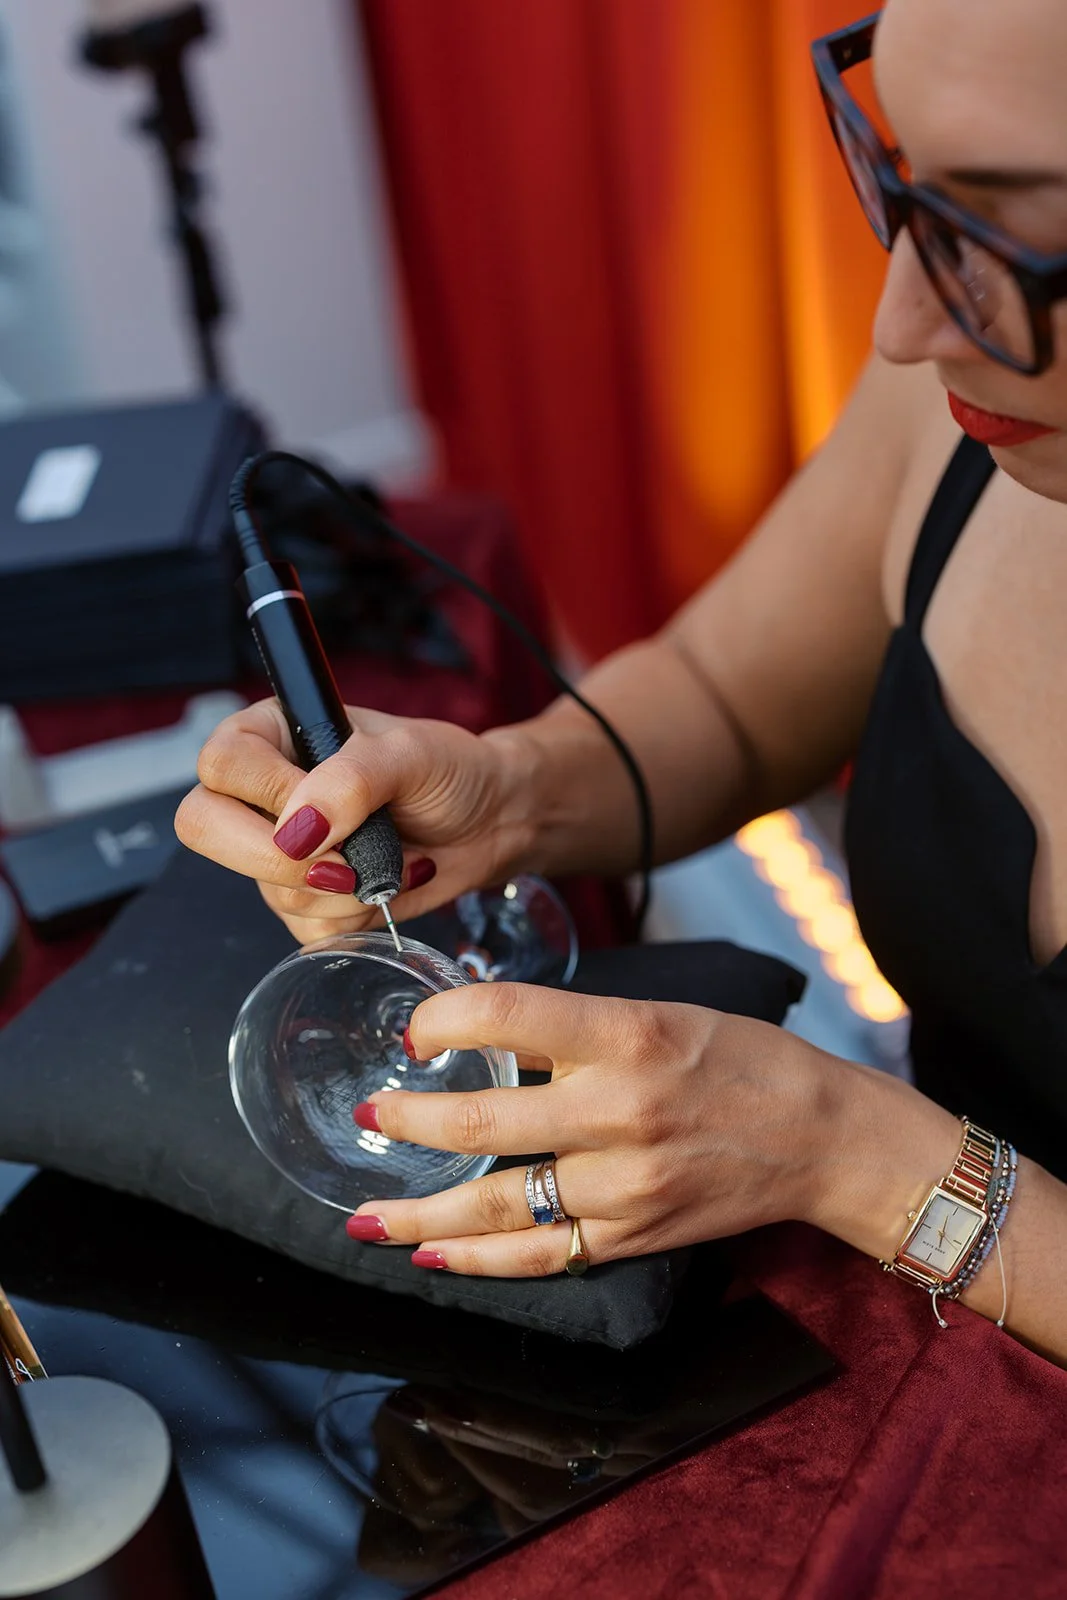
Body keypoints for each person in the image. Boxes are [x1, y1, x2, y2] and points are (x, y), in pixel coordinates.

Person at [177, 0, 1067, 1364]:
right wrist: (511, 790)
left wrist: (847, 1152)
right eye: (901, 187)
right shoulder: (967, 412)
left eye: (1013, 237)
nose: (898, 322)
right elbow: (722, 694)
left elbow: (859, 1158)